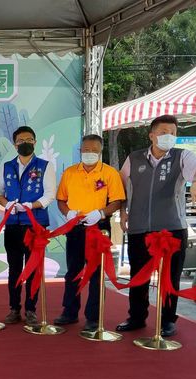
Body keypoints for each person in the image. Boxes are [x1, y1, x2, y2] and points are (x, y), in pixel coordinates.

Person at [116, 115, 196, 337]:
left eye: (173, 133)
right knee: (138, 276)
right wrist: (122, 211)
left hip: (171, 229)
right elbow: (121, 186)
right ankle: (136, 317)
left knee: (170, 277)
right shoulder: (134, 158)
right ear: (152, 135)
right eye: (164, 132)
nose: (169, 136)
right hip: (139, 229)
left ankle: (167, 321)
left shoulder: (181, 156)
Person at [54, 135, 125, 331]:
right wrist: (68, 213)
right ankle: (69, 312)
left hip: (99, 227)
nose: (89, 153)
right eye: (86, 150)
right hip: (75, 227)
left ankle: (93, 317)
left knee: (95, 273)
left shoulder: (110, 173)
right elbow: (61, 199)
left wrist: (101, 212)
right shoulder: (69, 173)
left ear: (100, 151)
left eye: (94, 150)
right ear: (80, 151)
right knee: (73, 271)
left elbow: (118, 200)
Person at [0, 126, 56, 326]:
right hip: (12, 224)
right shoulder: (7, 167)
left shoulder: (44, 166)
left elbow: (49, 195)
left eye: (29, 139)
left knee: (33, 268)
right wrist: (7, 205)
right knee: (14, 268)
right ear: (15, 144)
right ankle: (14, 308)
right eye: (20, 141)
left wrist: (32, 205)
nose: (25, 143)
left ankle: (31, 309)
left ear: (35, 142)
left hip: (35, 226)